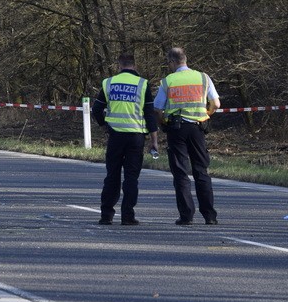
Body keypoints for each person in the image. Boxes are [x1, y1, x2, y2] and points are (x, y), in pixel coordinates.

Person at [154, 46, 221, 225]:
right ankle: (210, 216)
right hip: (198, 128)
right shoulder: (203, 77)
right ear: (185, 59)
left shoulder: (168, 81)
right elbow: (216, 103)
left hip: (176, 129)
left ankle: (186, 216)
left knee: (181, 173)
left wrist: (162, 123)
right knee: (201, 171)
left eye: (168, 62)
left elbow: (158, 108)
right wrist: (206, 115)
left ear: (172, 61)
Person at [93, 52, 159, 225]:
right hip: (136, 137)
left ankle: (106, 215)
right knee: (131, 177)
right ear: (134, 65)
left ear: (119, 65)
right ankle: (128, 216)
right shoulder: (142, 84)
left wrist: (104, 126)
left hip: (115, 136)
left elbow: (96, 110)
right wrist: (154, 140)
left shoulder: (109, 83)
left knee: (112, 176)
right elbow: (150, 115)